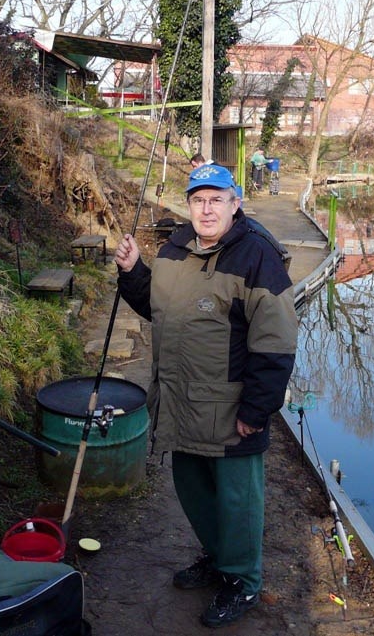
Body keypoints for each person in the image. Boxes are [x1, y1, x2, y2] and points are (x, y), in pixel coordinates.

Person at [114, 163, 297, 628]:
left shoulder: (258, 256)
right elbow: (160, 310)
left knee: (238, 503)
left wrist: (257, 410)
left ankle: (243, 581)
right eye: (199, 199)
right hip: (180, 402)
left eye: (217, 199)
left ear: (236, 203)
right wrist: (134, 271)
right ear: (189, 205)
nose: (207, 208)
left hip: (231, 412)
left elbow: (276, 344)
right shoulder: (175, 249)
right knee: (194, 492)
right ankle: (218, 560)